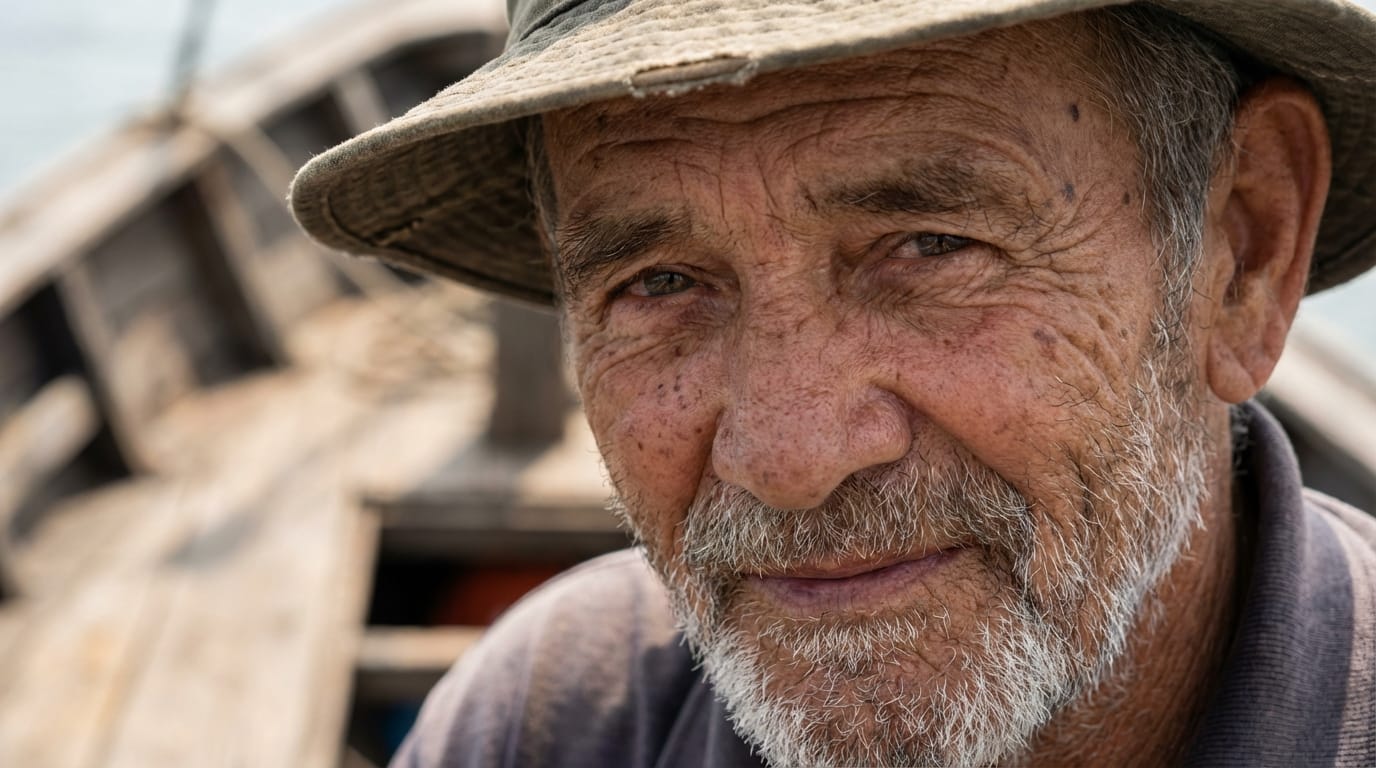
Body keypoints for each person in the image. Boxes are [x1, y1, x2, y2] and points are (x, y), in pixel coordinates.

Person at [291, 1, 1376, 765]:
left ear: (1243, 251)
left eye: (929, 245)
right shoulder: (558, 717)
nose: (788, 459)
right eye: (659, 281)